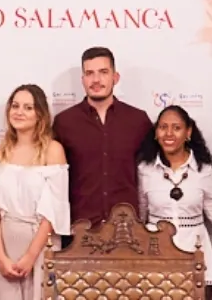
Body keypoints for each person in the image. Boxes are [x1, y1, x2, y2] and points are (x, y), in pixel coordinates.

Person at [53, 47, 152, 246]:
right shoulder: (64, 122)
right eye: (89, 73)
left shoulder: (138, 120)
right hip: (79, 234)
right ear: (82, 79)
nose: (96, 80)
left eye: (103, 72)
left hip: (128, 234)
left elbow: (152, 174)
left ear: (115, 77)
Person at [0, 84, 70, 299]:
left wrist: (31, 256)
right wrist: (0, 256)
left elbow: (54, 209)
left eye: (28, 107)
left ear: (40, 114)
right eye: (15, 106)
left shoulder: (53, 151)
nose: (19, 112)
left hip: (42, 243)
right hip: (6, 242)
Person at [136, 105, 212, 297]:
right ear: (156, 132)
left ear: (188, 132)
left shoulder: (204, 170)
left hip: (195, 254)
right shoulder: (145, 170)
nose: (168, 133)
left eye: (176, 128)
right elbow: (141, 217)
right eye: (163, 127)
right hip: (155, 256)